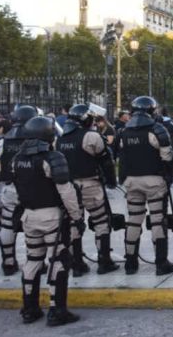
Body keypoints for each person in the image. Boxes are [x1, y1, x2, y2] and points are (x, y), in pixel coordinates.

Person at [12, 116, 84, 326]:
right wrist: (76, 216)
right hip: (52, 216)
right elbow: (66, 191)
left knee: (33, 259)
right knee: (58, 260)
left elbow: (17, 189)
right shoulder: (52, 157)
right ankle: (56, 310)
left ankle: (29, 308)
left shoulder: (17, 159)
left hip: (29, 215)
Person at [118, 96, 173, 276]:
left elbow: (121, 157)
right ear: (152, 110)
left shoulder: (124, 131)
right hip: (154, 181)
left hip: (132, 181)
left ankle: (130, 263)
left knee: (133, 220)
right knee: (158, 221)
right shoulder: (156, 129)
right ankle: (161, 263)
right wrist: (168, 175)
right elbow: (167, 156)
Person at [55, 104, 119, 276]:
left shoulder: (61, 139)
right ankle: (104, 261)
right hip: (90, 185)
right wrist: (111, 181)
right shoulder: (91, 136)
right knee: (101, 221)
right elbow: (106, 160)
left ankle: (77, 264)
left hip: (69, 188)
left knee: (75, 223)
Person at [0, 104, 37, 275]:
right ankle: (35, 261)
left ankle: (8, 262)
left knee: (7, 224)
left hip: (10, 188)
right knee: (32, 225)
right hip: (32, 188)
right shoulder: (37, 141)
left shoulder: (1, 142)